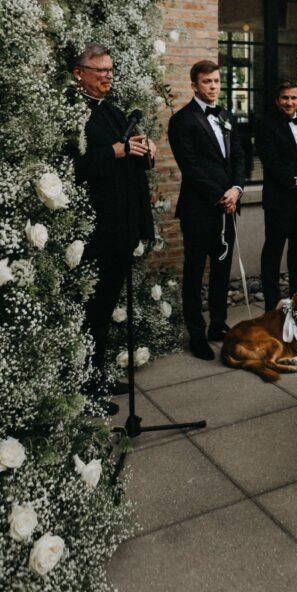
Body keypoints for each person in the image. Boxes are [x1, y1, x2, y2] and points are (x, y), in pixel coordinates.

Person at [72, 43, 156, 414]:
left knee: (106, 309)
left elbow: (128, 153)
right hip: (96, 230)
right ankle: (83, 388)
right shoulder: (73, 112)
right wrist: (118, 151)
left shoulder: (114, 110)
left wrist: (144, 149)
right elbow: (73, 164)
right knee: (92, 310)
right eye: (100, 70)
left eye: (110, 70)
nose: (108, 75)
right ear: (80, 73)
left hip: (123, 226)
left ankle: (98, 374)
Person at [167, 59, 245, 361]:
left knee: (222, 270)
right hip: (199, 210)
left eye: (216, 81)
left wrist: (237, 189)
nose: (213, 87)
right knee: (195, 271)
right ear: (194, 85)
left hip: (229, 207)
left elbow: (239, 156)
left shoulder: (227, 116)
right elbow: (191, 167)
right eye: (207, 82)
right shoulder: (182, 120)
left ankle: (218, 324)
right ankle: (196, 334)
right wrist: (219, 196)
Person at [256, 79, 297, 311]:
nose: (289, 102)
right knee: (273, 250)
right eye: (285, 98)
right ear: (277, 100)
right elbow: (272, 161)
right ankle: (271, 302)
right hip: (279, 199)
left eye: (293, 98)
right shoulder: (266, 126)